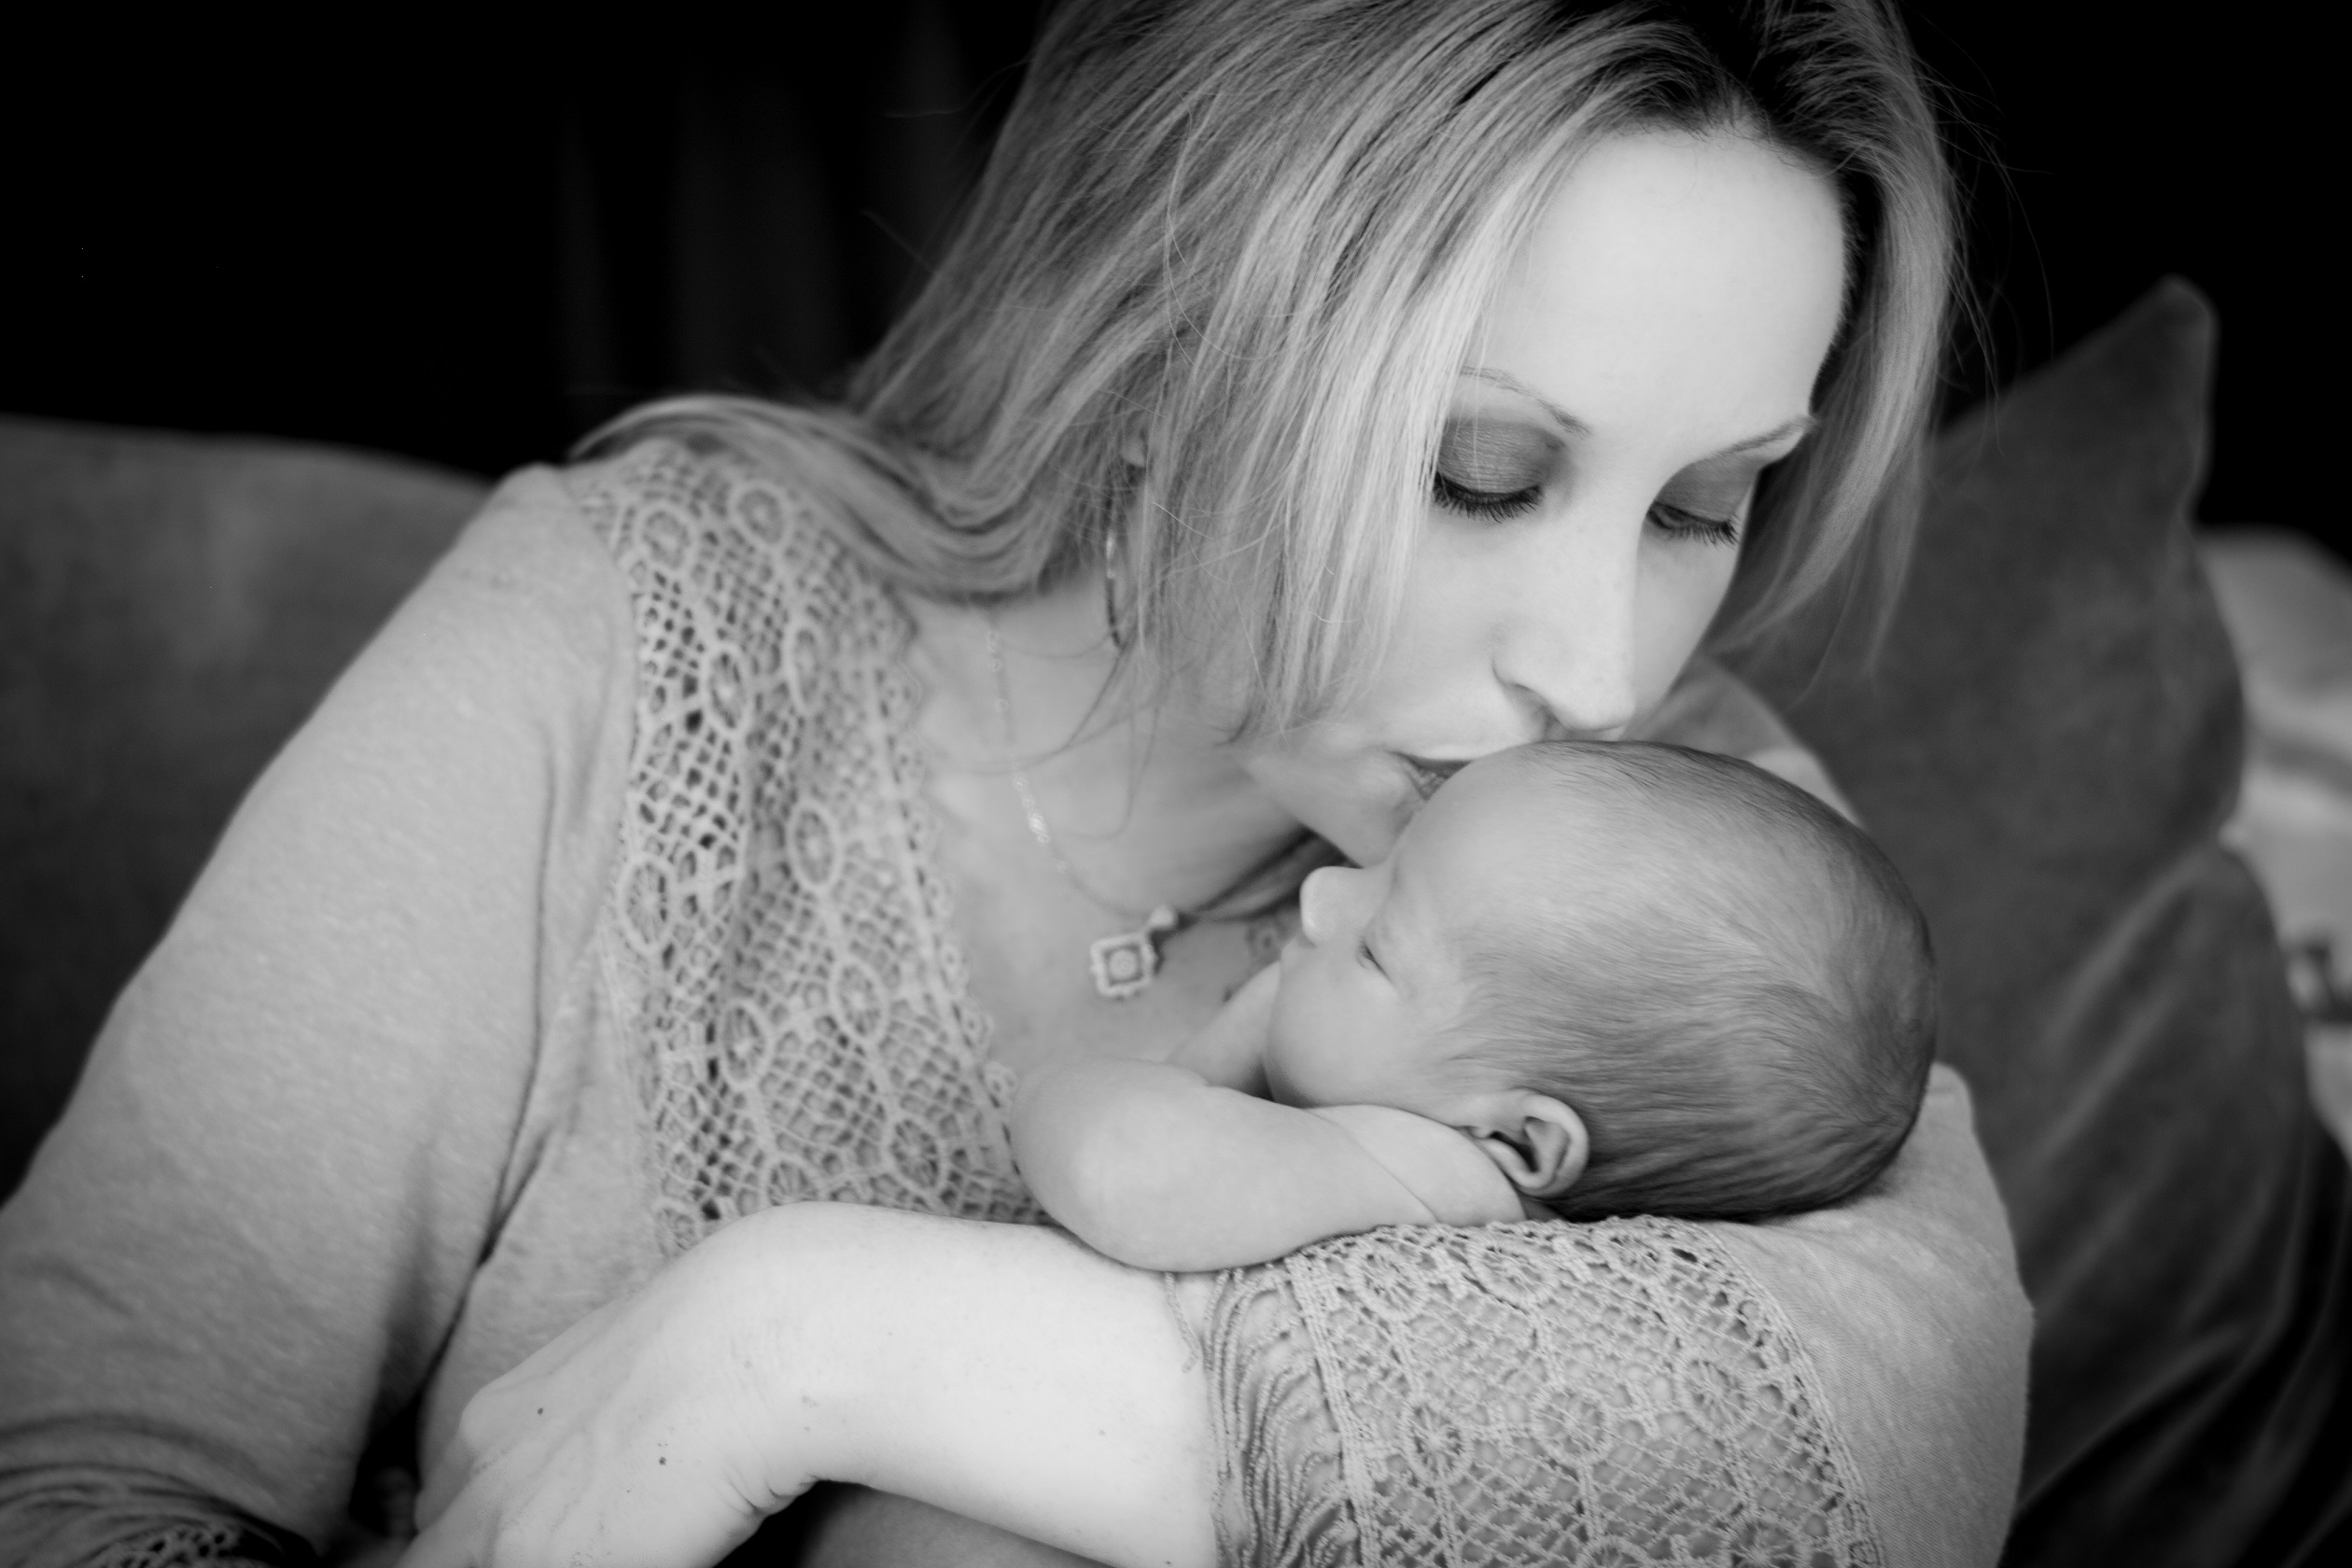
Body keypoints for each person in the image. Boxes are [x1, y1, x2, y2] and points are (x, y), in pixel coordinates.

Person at [0, 3, 2034, 1566]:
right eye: (1479, 471)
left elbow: (1892, 1448)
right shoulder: (616, 643)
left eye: (1701, 507)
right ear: (1155, 351)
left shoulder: (1679, 833)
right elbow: (77, 1481)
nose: (1596, 672)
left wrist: (805, 1338)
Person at [1011, 739, 1939, 1272]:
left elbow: (1115, 1166)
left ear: (1519, 1143)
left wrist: (1230, 1043)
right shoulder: (1453, 1151)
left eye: (1375, 949)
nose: (1322, 894)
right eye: (1385, 863)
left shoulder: (1422, 1172)